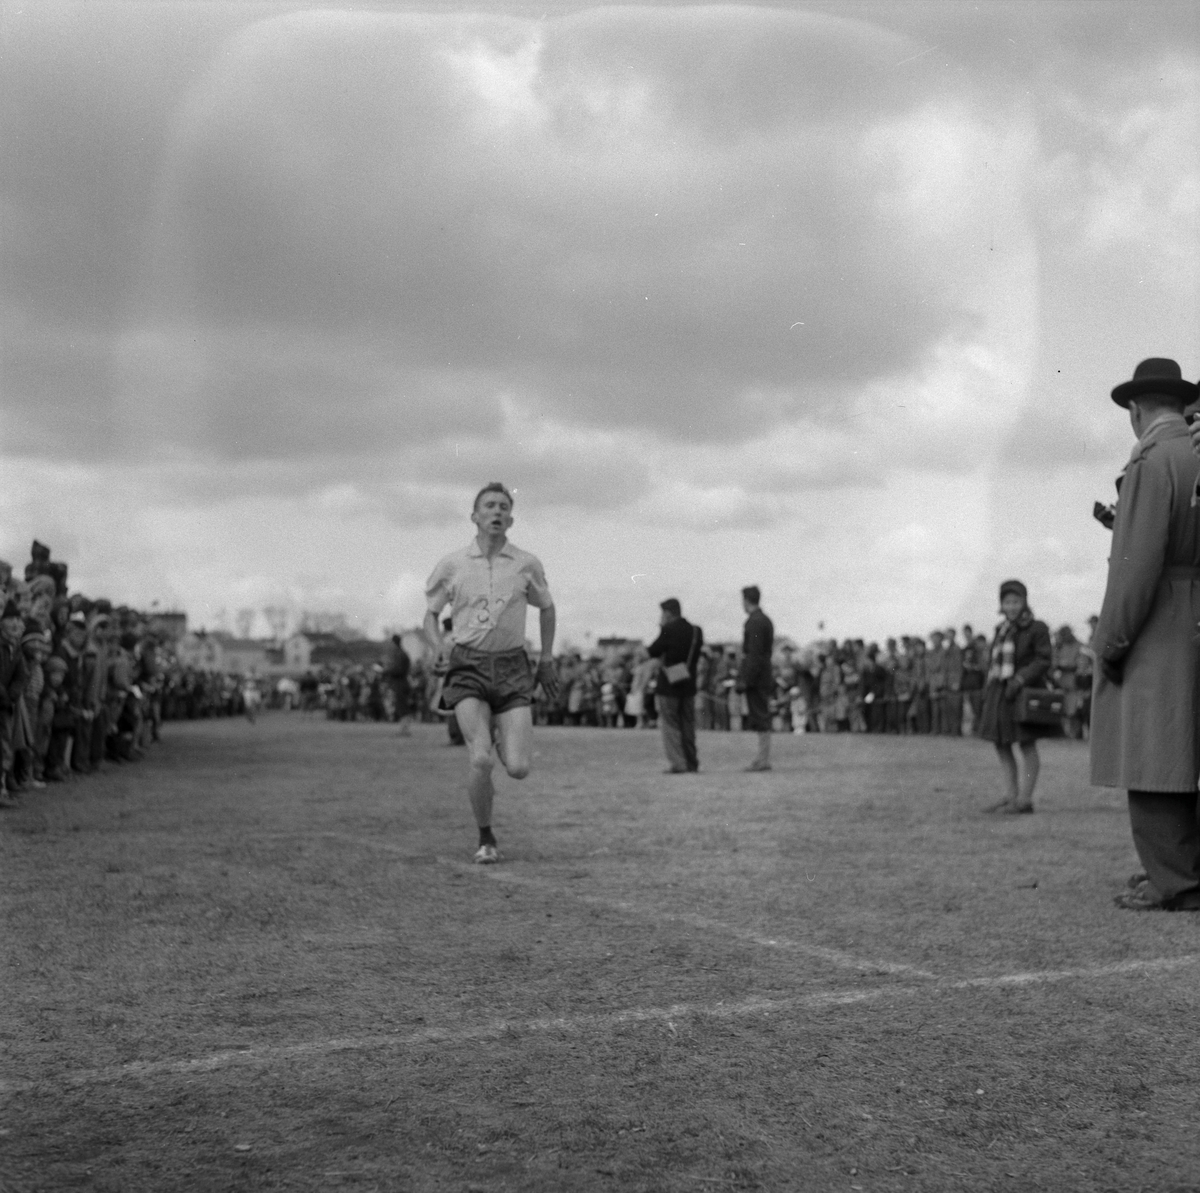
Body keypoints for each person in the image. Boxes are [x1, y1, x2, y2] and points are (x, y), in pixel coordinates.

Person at [1090, 359, 1200, 911]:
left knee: (1156, 751)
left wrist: (1111, 643)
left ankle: (1174, 880)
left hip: (1163, 618)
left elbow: (1135, 570)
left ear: (1136, 411)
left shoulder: (1151, 461)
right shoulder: (1194, 451)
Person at [423, 482, 559, 864]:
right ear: (475, 516)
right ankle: (486, 837)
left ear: (511, 519)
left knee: (517, 768)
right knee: (480, 759)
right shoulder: (453, 564)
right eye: (489, 506)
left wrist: (546, 658)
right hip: (468, 665)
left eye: (503, 506)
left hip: (514, 666)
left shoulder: (526, 563)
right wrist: (437, 648)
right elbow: (431, 614)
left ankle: (504, 742)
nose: (497, 512)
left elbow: (547, 608)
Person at [979, 580, 1052, 813]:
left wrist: (1020, 679)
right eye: (1007, 602)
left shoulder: (1036, 628)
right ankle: (1010, 795)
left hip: (1021, 692)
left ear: (1024, 602)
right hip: (999, 692)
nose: (1012, 606)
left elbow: (1043, 659)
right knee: (1001, 743)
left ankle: (1025, 799)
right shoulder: (1000, 629)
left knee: (1026, 743)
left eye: (1016, 601)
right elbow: (994, 663)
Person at [647, 598, 703, 773]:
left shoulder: (668, 630)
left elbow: (652, 651)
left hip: (669, 685)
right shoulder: (696, 631)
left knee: (670, 725)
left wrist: (661, 628)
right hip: (688, 684)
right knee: (688, 724)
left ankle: (678, 763)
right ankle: (691, 762)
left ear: (668, 613)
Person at [736, 586, 774, 771]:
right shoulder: (764, 620)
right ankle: (762, 758)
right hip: (762, 675)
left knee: (760, 716)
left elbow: (754, 654)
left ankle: (763, 759)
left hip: (756, 677)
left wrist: (746, 679)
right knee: (761, 716)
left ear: (746, 600)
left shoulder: (755, 622)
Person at [385, 634, 413, 735]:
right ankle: (403, 728)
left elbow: (399, 670)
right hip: (401, 683)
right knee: (401, 706)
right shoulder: (401, 653)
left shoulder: (399, 654)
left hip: (400, 683)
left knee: (402, 707)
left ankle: (404, 729)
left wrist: (387, 670)